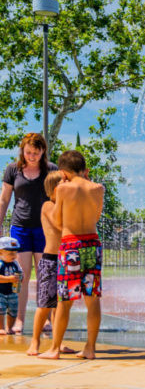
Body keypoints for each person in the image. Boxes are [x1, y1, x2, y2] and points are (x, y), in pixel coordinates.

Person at [38, 150, 104, 360]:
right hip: (93, 245)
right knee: (92, 299)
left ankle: (55, 349)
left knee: (65, 301)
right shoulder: (98, 188)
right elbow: (96, 216)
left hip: (71, 245)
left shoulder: (63, 188)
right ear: (84, 169)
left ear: (64, 172)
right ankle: (90, 349)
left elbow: (58, 222)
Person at [0, 132, 58, 333]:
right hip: (20, 228)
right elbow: (4, 199)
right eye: (28, 152)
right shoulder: (12, 170)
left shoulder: (51, 170)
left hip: (45, 229)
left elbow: (58, 199)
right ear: (22, 151)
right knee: (21, 276)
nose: (32, 156)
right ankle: (19, 320)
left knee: (45, 276)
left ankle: (47, 318)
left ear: (43, 151)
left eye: (36, 152)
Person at [27, 171, 75, 356]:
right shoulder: (48, 205)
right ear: (56, 189)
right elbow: (58, 223)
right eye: (65, 186)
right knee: (45, 304)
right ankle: (35, 341)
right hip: (50, 260)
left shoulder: (64, 206)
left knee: (61, 303)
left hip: (64, 259)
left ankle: (58, 341)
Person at [0, 237, 23, 334]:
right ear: (0, 253)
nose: (14, 255)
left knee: (13, 311)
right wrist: (9, 279)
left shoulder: (15, 264)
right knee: (0, 310)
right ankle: (1, 327)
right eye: (10, 253)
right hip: (0, 293)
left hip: (12, 292)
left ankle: (9, 328)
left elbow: (21, 273)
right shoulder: (0, 264)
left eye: (15, 252)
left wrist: (21, 278)